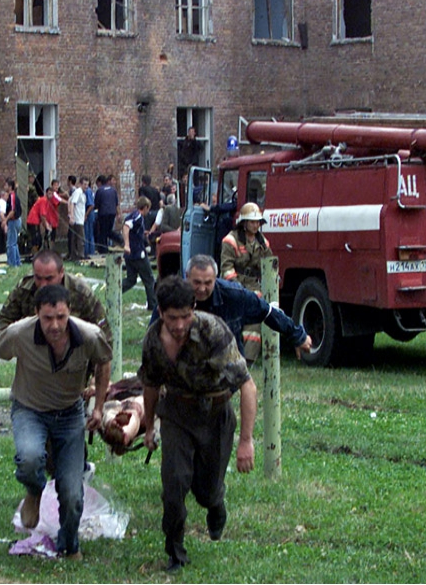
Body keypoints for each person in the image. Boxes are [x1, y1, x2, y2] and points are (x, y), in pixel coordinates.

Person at [0, 285, 112, 559]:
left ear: (69, 312)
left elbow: (104, 362)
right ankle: (33, 490)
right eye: (47, 318)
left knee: (71, 492)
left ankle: (69, 547)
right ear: (36, 314)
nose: (55, 325)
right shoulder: (20, 333)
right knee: (30, 457)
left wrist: (99, 408)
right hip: (29, 410)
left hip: (69, 415)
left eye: (61, 317)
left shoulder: (89, 336)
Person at [139, 276, 255, 573]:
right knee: (174, 484)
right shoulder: (153, 340)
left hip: (215, 413)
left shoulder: (212, 330)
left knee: (206, 490)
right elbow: (151, 385)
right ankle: (175, 551)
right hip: (177, 413)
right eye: (172, 318)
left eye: (185, 316)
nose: (179, 325)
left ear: (194, 308)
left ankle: (216, 503)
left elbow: (247, 385)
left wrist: (246, 441)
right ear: (161, 313)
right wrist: (150, 426)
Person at [151, 254, 311, 360]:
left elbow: (267, 312)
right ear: (187, 277)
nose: (201, 289)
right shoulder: (171, 297)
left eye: (208, 283)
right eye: (196, 283)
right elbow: (153, 337)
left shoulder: (235, 295)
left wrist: (297, 336)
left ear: (216, 278)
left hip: (225, 368)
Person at [0, 249, 112, 342]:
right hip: (36, 355)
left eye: (49, 278)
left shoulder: (80, 292)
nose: (43, 285)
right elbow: (3, 322)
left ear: (61, 273)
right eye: (38, 278)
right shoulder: (25, 288)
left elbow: (104, 334)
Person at [219, 203, 273, 362]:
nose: (256, 225)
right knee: (232, 322)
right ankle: (229, 356)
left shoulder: (263, 243)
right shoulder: (230, 240)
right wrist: (237, 288)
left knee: (254, 322)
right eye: (252, 221)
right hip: (233, 286)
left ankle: (248, 359)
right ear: (243, 222)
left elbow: (269, 264)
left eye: (258, 222)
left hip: (253, 286)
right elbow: (226, 267)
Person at [122, 196, 157, 310]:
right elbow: (126, 227)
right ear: (145, 207)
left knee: (131, 280)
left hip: (129, 255)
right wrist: (126, 244)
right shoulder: (138, 217)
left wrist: (142, 234)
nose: (148, 211)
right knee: (149, 279)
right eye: (148, 208)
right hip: (137, 254)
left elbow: (132, 230)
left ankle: (114, 292)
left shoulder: (134, 215)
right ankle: (153, 305)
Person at [94, 175, 119, 254]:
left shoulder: (100, 190)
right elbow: (116, 203)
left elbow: (97, 204)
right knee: (108, 230)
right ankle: (119, 239)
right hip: (112, 213)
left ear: (100, 183)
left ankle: (103, 249)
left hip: (103, 213)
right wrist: (118, 214)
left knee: (103, 232)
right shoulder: (113, 190)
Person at [68, 176, 87, 261]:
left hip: (80, 219)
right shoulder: (78, 192)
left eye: (87, 184)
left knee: (77, 238)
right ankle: (79, 255)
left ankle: (76, 255)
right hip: (77, 219)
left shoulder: (83, 194)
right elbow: (72, 203)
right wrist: (71, 216)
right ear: (80, 184)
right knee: (80, 238)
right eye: (84, 184)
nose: (86, 186)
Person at [5, 178, 23, 267]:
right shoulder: (13, 196)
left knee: (11, 244)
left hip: (13, 221)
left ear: (10, 187)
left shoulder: (12, 196)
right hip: (17, 220)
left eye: (6, 185)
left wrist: (5, 220)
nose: (5, 187)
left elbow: (12, 210)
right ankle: (17, 261)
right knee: (14, 243)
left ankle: (12, 263)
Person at [84, 177, 96, 257]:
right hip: (90, 214)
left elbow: (91, 205)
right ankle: (90, 252)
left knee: (87, 234)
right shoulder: (90, 191)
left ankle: (89, 252)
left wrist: (86, 215)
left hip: (88, 215)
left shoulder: (87, 191)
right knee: (89, 234)